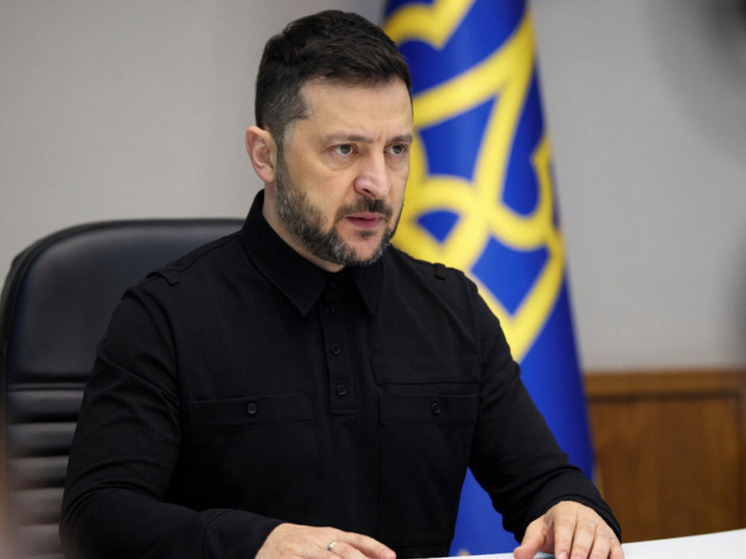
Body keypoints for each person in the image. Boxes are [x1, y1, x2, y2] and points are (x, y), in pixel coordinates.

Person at [60, 10, 623, 559]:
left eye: (396, 150)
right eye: (345, 150)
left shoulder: (453, 309)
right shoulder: (164, 315)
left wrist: (572, 509)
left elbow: (544, 481)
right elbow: (96, 518)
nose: (378, 183)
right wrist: (256, 544)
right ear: (265, 155)